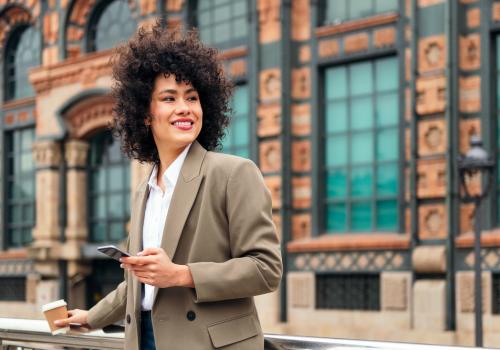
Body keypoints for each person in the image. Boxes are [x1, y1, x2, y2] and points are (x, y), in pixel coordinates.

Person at [54, 23, 282, 350]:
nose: (184, 108)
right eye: (169, 98)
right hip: (144, 338)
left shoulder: (234, 173)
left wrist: (180, 275)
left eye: (192, 97)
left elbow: (266, 268)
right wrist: (92, 317)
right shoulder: (144, 189)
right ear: (145, 114)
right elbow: (141, 281)